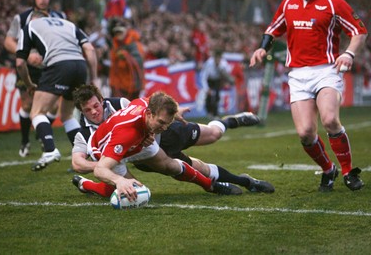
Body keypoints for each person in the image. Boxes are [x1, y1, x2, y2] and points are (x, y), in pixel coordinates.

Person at [249, 0, 368, 191]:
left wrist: (349, 53)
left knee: (330, 119)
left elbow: (359, 31)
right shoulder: (289, 3)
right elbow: (273, 29)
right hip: (298, 74)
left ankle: (348, 172)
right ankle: (329, 170)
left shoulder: (333, 2)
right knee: (305, 133)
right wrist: (262, 48)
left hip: (327, 70)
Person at [70, 85, 273, 200]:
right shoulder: (120, 132)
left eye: (96, 105)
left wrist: (174, 113)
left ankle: (229, 122)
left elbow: (156, 101)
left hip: (144, 136)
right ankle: (87, 184)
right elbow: (96, 167)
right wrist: (119, 179)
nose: (94, 111)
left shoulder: (134, 106)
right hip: (126, 149)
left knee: (208, 138)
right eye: (88, 110)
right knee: (135, 194)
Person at [15, 10, 98, 171]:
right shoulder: (68, 24)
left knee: (37, 112)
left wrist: (29, 83)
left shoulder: (29, 26)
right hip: (79, 66)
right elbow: (90, 49)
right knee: (67, 115)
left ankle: (49, 150)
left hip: (58, 66)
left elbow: (19, 63)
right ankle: (86, 156)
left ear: (33, 18)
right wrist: (94, 77)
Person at [4, 0, 66, 157]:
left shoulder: (60, 17)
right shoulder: (22, 18)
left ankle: (41, 131)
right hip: (27, 67)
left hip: (50, 66)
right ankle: (25, 140)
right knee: (27, 104)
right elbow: (8, 41)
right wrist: (26, 54)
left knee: (53, 106)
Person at [107, 18, 145, 100]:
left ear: (126, 31)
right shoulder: (115, 45)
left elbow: (139, 61)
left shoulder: (135, 44)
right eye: (116, 32)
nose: (118, 34)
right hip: (117, 84)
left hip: (131, 86)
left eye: (120, 31)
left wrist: (126, 56)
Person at [201, 49, 235, 118]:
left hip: (218, 80)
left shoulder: (223, 64)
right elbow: (204, 77)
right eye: (216, 58)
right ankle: (209, 112)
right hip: (209, 80)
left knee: (216, 96)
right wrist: (207, 88)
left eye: (219, 58)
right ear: (214, 57)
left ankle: (215, 114)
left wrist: (226, 80)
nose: (218, 60)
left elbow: (228, 73)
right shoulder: (209, 63)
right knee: (209, 97)